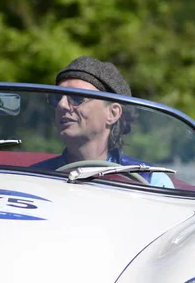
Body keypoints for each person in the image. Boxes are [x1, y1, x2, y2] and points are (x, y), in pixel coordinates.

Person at [32, 56, 173, 188]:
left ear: (112, 113)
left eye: (76, 97)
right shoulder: (33, 177)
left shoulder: (151, 181)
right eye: (56, 97)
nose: (61, 105)